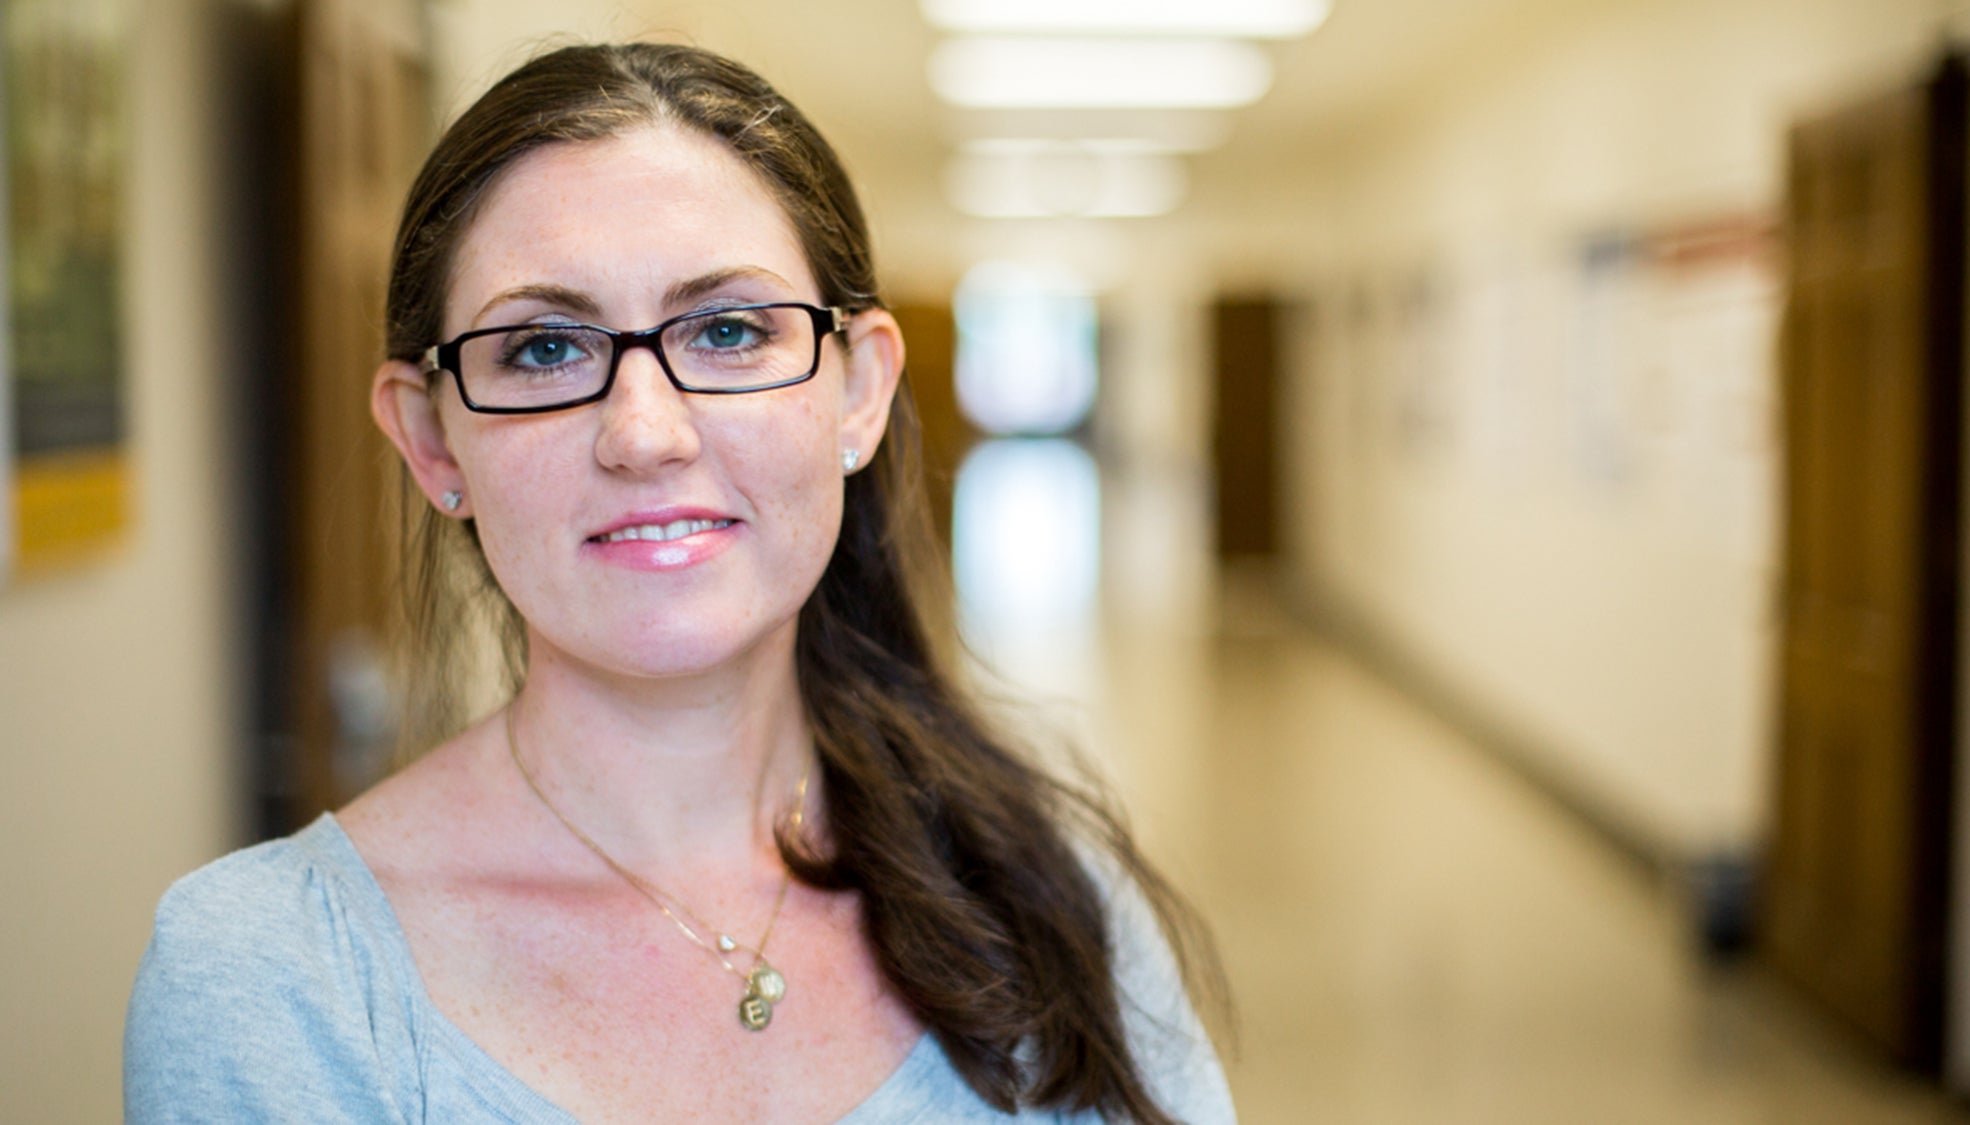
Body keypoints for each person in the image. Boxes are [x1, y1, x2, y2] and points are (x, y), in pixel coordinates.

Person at [124, 41, 1232, 1124]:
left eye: (730, 330)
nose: (643, 434)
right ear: (431, 439)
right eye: (546, 349)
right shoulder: (271, 982)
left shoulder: (1047, 902)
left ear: (858, 394)